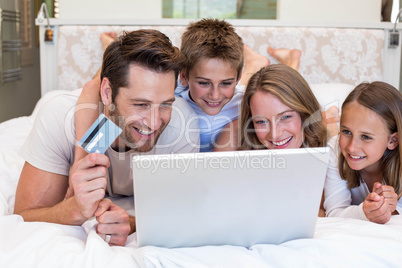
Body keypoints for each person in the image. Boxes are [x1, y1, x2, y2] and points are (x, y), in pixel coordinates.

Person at [13, 29, 200, 246]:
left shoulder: (183, 124)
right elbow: (24, 215)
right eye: (141, 104)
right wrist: (74, 210)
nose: (155, 122)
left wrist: (132, 223)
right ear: (107, 92)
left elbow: (182, 214)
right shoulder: (60, 115)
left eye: (166, 104)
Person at [77, 19, 303, 153]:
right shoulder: (167, 93)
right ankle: (109, 45)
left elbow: (289, 100)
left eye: (226, 83)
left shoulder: (243, 99)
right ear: (183, 77)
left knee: (270, 85)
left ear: (237, 77)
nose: (215, 95)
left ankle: (282, 61)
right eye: (203, 83)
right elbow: (94, 89)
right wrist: (86, 155)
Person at [215, 64, 328, 215]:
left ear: (305, 114)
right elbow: (214, 201)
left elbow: (325, 211)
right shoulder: (234, 134)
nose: (274, 134)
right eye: (261, 121)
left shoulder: (328, 144)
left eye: (286, 117)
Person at [324, 81, 401, 224]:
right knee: (324, 135)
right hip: (333, 140)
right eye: (346, 131)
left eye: (366, 137)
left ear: (393, 141)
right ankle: (331, 120)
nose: (352, 147)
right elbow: (334, 212)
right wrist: (364, 212)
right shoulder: (335, 148)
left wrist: (394, 208)